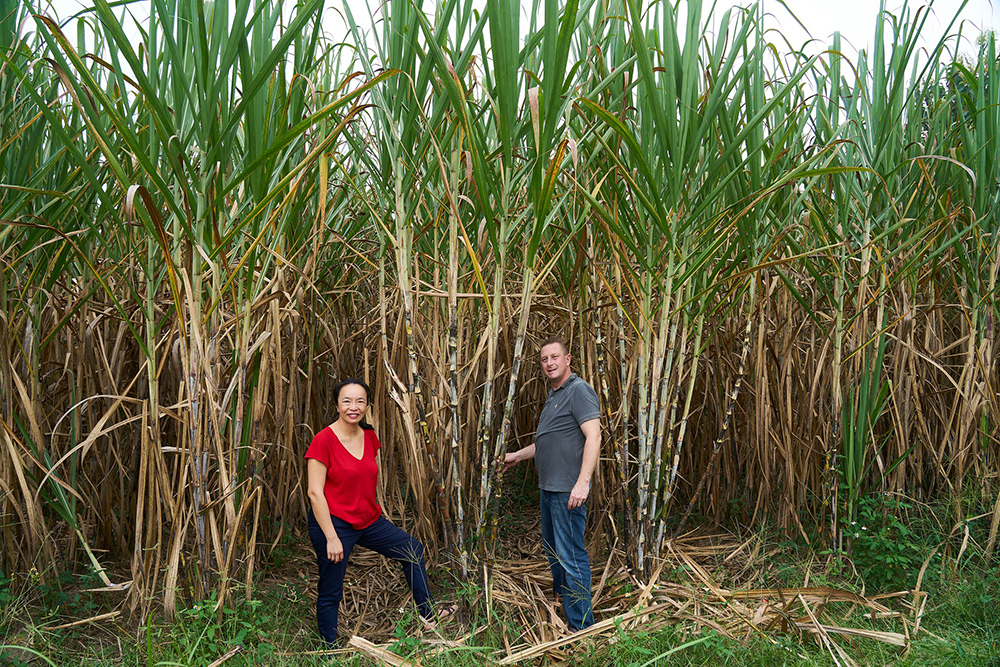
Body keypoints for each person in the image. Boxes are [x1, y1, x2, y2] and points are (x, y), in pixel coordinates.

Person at [305, 378, 448, 645]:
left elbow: (363, 478)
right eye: (346, 401)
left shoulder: (369, 436)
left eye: (360, 401)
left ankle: (428, 617)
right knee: (331, 588)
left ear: (367, 405)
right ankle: (328, 647)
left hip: (368, 520)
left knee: (412, 551)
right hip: (334, 524)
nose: (353, 407)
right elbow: (315, 492)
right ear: (336, 404)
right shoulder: (323, 440)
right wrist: (332, 537)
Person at [503, 336, 601, 631]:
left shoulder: (579, 391)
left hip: (568, 490)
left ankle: (581, 625)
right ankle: (563, 598)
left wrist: (582, 483)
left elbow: (594, 437)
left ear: (568, 359)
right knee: (554, 549)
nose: (550, 363)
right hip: (549, 487)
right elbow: (547, 441)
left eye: (555, 357)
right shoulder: (554, 395)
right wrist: (518, 455)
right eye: (545, 359)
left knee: (570, 553)